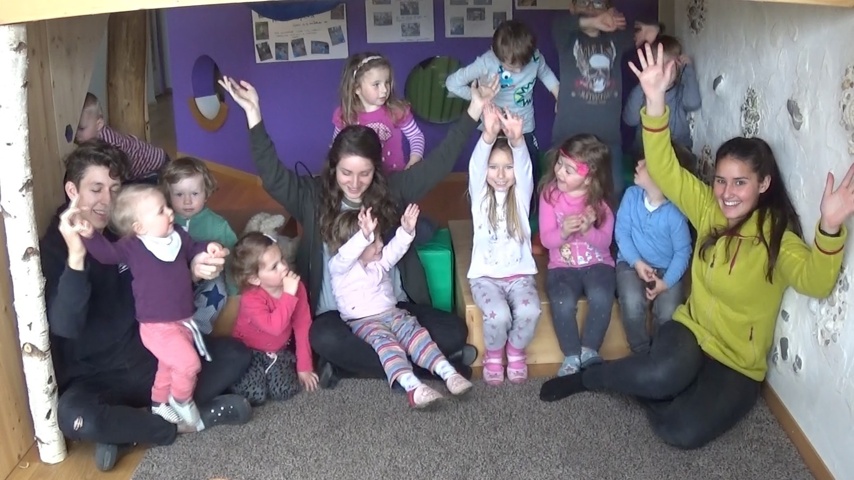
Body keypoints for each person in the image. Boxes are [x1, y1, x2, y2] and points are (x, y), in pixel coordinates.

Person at [539, 43, 854, 450]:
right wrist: (655, 100)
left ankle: (669, 392)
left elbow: (817, 282)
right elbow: (665, 168)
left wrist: (830, 226)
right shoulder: (707, 206)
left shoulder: (777, 236)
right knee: (657, 377)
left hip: (737, 363)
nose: (726, 193)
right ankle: (588, 378)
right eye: (721, 180)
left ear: (764, 184)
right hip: (692, 332)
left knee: (679, 432)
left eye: (740, 183)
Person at [218, 74, 497, 388]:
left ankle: (350, 367)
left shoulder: (392, 190)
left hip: (390, 307)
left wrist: (475, 107)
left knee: (454, 330)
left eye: (364, 174)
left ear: (375, 170)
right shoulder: (311, 196)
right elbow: (272, 176)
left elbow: (439, 164)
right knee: (322, 338)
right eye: (346, 173)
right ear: (333, 167)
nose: (354, 183)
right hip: (338, 316)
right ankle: (428, 368)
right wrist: (253, 113)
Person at [42, 140, 251, 472]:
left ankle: (128, 430)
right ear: (72, 190)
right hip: (94, 376)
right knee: (76, 418)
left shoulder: (130, 231)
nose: (107, 200)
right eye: (96, 189)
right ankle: (181, 423)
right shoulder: (54, 246)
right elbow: (66, 325)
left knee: (236, 355)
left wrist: (193, 269)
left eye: (114, 189)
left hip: (149, 357)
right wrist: (77, 257)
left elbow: (162, 284)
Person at [78, 183, 226, 430]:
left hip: (183, 320)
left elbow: (194, 247)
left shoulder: (177, 236)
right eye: (161, 211)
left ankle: (158, 403)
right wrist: (90, 235)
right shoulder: (133, 246)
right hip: (156, 327)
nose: (169, 212)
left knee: (168, 366)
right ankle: (181, 400)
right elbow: (106, 254)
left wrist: (208, 247)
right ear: (139, 227)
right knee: (189, 364)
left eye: (167, 207)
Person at [328, 204, 473, 408]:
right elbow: (347, 255)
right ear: (357, 244)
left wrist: (406, 231)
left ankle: (448, 373)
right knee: (388, 346)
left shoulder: (378, 262)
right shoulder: (339, 268)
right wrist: (364, 236)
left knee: (418, 336)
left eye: (379, 239)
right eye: (374, 241)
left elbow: (395, 250)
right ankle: (412, 386)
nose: (381, 244)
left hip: (393, 314)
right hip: (364, 322)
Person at [551, 0, 660, 198]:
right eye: (584, 2)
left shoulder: (616, 39)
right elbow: (558, 24)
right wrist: (595, 21)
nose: (591, 7)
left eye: (597, 3)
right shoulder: (566, 37)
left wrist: (626, 24)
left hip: (608, 137)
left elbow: (651, 30)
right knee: (563, 195)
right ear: (572, 7)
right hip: (569, 134)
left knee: (614, 190)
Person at [467, 104, 541, 386]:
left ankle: (516, 351)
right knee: (497, 315)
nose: (500, 174)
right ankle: (495, 354)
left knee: (530, 311)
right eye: (494, 167)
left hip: (520, 275)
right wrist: (488, 135)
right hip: (485, 277)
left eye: (507, 168)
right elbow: (476, 166)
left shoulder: (520, 197)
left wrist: (518, 140)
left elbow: (525, 168)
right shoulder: (480, 197)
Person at [445, 19, 560, 192]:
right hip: (493, 129)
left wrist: (559, 96)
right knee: (489, 178)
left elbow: (546, 74)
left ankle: (526, 209)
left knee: (528, 176)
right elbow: (452, 83)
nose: (519, 71)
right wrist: (479, 99)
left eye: (523, 64)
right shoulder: (486, 62)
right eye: (512, 66)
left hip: (523, 128)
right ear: (496, 53)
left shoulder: (536, 58)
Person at [538, 134, 616, 377]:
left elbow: (605, 242)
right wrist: (563, 232)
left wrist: (588, 231)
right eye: (560, 163)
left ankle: (589, 350)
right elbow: (546, 240)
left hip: (598, 263)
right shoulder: (550, 196)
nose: (560, 171)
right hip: (562, 266)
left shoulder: (600, 204)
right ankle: (571, 354)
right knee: (562, 301)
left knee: (602, 295)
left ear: (589, 177)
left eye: (569, 170)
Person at [614, 151, 691, 354]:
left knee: (669, 312)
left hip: (667, 269)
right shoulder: (631, 196)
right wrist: (637, 262)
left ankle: (659, 354)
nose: (638, 163)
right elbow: (622, 233)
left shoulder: (675, 213)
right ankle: (640, 351)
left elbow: (682, 252)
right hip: (631, 263)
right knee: (631, 302)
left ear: (663, 176)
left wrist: (666, 283)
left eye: (646, 164)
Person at [229, 232, 318, 405]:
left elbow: (302, 326)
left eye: (282, 259)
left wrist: (304, 367)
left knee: (285, 390)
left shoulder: (297, 287)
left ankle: (272, 371)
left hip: (278, 351)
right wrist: (288, 295)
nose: (284, 267)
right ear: (254, 279)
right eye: (274, 267)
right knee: (255, 394)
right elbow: (274, 327)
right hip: (250, 352)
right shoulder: (250, 298)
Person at [161, 157, 238, 335]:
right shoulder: (163, 221)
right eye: (179, 194)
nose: (187, 201)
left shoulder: (219, 226)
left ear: (206, 192)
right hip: (175, 281)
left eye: (194, 194)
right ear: (168, 194)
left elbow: (233, 261)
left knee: (218, 288)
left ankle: (197, 332)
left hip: (207, 280)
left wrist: (235, 294)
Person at [333, 53, 425, 173]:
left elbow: (416, 136)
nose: (384, 90)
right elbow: (337, 145)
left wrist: (413, 162)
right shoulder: (346, 115)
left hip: (395, 177)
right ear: (357, 88)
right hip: (362, 179)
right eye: (376, 84)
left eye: (387, 82)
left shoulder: (397, 110)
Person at [623, 34, 701, 152]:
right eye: (657, 64)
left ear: (678, 66)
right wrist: (643, 85)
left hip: (678, 149)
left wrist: (688, 70)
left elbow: (693, 104)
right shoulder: (641, 92)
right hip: (647, 150)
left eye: (668, 63)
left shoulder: (680, 90)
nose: (662, 69)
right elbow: (630, 120)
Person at [75, 92, 169, 183]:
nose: (76, 134)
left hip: (155, 167)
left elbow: (116, 176)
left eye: (81, 129)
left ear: (99, 124)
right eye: (75, 129)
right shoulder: (93, 139)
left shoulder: (108, 145)